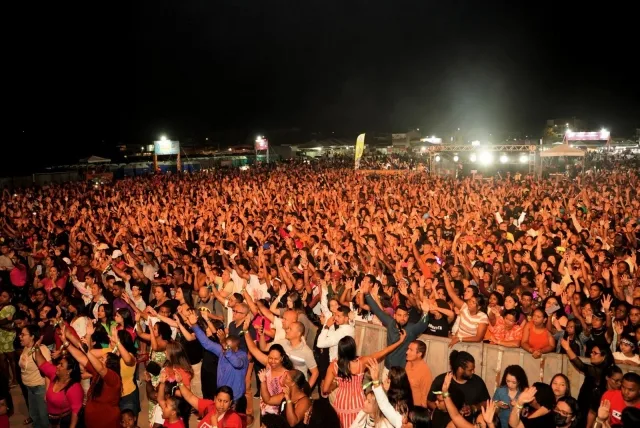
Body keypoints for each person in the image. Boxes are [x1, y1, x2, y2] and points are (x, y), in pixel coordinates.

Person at [321, 332, 407, 427]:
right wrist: (400, 341)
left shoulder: (333, 366)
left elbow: (325, 390)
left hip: (342, 403)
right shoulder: (362, 362)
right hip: (359, 402)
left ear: (340, 350)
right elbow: (384, 351)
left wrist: (336, 384)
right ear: (353, 349)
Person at [187, 310, 249, 413]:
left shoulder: (242, 356)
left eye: (227, 346)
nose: (225, 348)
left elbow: (236, 363)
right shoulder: (223, 351)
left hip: (236, 399)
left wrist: (225, 345)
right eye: (224, 346)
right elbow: (206, 343)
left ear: (236, 348)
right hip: (221, 396)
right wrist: (194, 325)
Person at [363, 280, 431, 372]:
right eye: (399, 315)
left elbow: (422, 325)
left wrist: (426, 312)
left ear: (408, 316)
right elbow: (377, 310)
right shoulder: (390, 322)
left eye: (405, 316)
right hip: (387, 367)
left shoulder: (411, 329)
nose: (403, 318)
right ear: (394, 315)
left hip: (401, 370)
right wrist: (367, 294)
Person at [31, 335, 83, 428]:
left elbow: (76, 412)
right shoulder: (54, 374)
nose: (58, 366)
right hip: (53, 420)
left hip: (65, 421)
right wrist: (37, 348)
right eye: (59, 364)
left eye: (61, 365)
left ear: (69, 370)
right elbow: (42, 363)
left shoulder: (74, 387)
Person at [428, 351, 490, 422]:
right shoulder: (441, 380)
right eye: (470, 370)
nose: (473, 372)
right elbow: (429, 401)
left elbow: (486, 402)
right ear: (460, 369)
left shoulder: (478, 382)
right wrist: (446, 410)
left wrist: (473, 408)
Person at [18, 325, 52, 428]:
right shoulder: (26, 348)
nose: (20, 337)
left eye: (23, 335)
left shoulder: (42, 349)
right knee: (34, 415)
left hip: (40, 388)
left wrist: (47, 391)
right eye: (20, 334)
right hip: (30, 388)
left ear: (32, 336)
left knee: (43, 417)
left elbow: (49, 371)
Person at [404, 340, 432, 408]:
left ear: (419, 354)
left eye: (411, 350)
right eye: (408, 349)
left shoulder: (425, 372)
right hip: (405, 404)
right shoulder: (408, 363)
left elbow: (425, 396)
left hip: (415, 409)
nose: (407, 352)